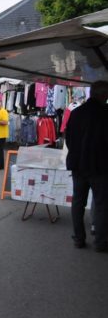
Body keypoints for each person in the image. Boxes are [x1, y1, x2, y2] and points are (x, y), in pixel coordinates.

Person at [65, 80, 108, 252]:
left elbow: (69, 139)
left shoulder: (76, 113)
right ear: (103, 95)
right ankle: (101, 241)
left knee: (78, 202)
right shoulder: (105, 113)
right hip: (100, 167)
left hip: (78, 165)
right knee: (102, 204)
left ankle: (78, 238)